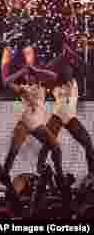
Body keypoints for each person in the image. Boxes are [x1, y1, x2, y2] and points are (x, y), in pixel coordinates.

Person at [36, 45, 94, 176]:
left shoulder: (74, 82)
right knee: (47, 145)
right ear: (61, 73)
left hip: (70, 118)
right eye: (66, 71)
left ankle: (92, 173)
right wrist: (62, 56)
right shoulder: (55, 83)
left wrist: (72, 54)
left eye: (70, 70)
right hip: (58, 116)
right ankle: (41, 169)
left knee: (88, 142)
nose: (69, 72)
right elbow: (45, 70)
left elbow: (87, 69)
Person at [1, 54, 61, 178]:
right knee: (13, 151)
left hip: (37, 124)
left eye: (30, 75)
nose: (28, 77)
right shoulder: (24, 88)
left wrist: (36, 70)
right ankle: (4, 174)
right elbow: (6, 82)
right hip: (25, 122)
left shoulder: (42, 87)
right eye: (27, 76)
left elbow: (54, 76)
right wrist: (22, 71)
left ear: (35, 77)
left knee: (56, 147)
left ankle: (48, 170)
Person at [1, 0, 40, 84]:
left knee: (30, 66)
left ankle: (31, 87)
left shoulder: (26, 8)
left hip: (24, 38)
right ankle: (8, 85)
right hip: (11, 39)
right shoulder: (10, 7)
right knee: (4, 66)